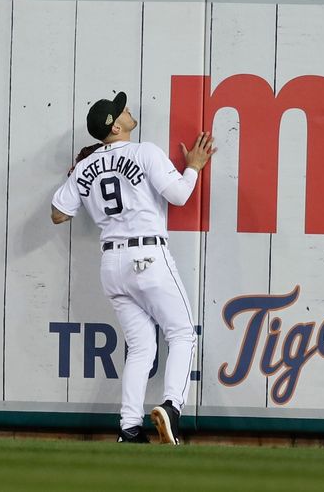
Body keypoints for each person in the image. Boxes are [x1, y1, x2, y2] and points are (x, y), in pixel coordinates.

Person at [50, 91, 215, 445]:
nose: (127, 110)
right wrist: (194, 167)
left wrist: (81, 177)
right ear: (115, 125)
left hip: (112, 264)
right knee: (182, 334)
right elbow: (180, 196)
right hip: (148, 256)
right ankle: (171, 408)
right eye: (120, 110)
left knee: (141, 348)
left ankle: (128, 428)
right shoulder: (144, 151)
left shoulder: (85, 166)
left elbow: (58, 214)